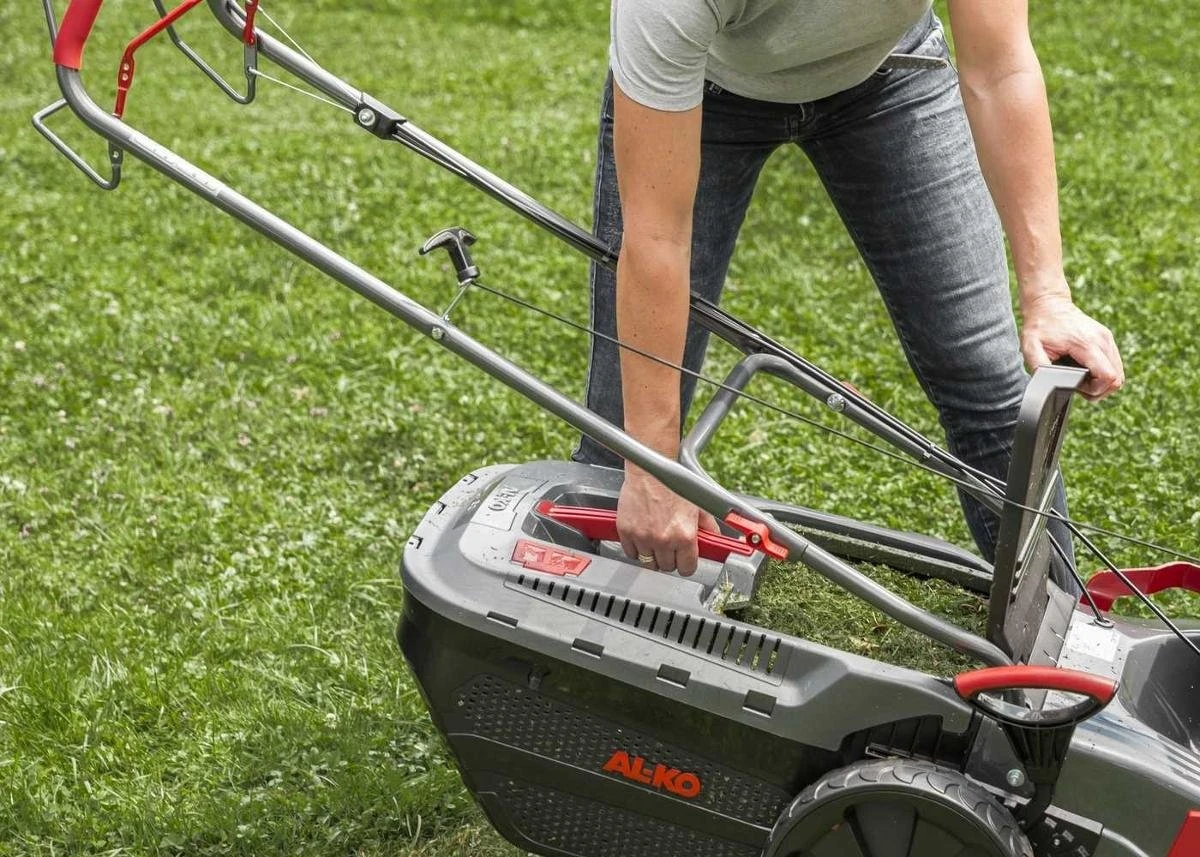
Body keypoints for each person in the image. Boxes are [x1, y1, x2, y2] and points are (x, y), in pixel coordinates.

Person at [572, 0, 1124, 576]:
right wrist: (651, 468)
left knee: (987, 380)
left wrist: (1048, 296)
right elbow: (657, 237)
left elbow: (1001, 69)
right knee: (627, 435)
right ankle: (574, 610)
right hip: (709, 90)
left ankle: (1063, 617)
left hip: (888, 71)